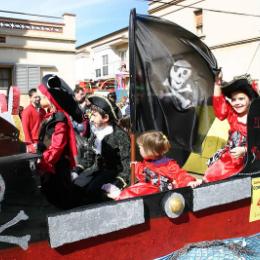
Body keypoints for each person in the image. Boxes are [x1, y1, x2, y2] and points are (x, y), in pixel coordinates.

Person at [105, 130, 201, 200]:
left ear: (152, 151)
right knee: (137, 187)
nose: (139, 150)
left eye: (141, 148)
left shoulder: (168, 164)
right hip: (151, 186)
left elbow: (180, 174)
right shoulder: (148, 161)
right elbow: (145, 172)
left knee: (139, 189)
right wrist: (137, 165)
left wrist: (188, 182)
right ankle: (121, 193)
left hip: (161, 190)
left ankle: (120, 196)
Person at [36, 74, 85, 209]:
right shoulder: (50, 116)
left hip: (57, 167)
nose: (41, 98)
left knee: (59, 198)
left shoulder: (59, 118)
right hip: (50, 165)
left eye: (44, 96)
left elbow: (57, 146)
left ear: (51, 99)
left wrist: (45, 162)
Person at [71, 94, 130, 203]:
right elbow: (89, 156)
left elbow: (127, 165)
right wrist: (78, 169)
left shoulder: (120, 135)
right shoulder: (95, 132)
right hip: (96, 169)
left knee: (92, 192)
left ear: (106, 118)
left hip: (113, 172)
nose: (91, 119)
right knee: (75, 186)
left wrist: (118, 183)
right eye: (90, 115)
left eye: (94, 115)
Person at [203, 73, 258, 183]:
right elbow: (219, 103)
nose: (237, 103)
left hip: (253, 160)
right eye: (234, 99)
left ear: (250, 100)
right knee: (212, 177)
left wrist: (245, 150)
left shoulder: (257, 116)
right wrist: (218, 82)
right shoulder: (233, 115)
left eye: (241, 99)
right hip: (230, 160)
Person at [21, 88, 46, 153]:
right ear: (30, 98)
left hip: (43, 142)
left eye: (39, 97)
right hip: (33, 143)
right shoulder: (27, 111)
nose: (38, 99)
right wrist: (30, 145)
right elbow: (25, 129)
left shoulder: (43, 111)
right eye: (35, 97)